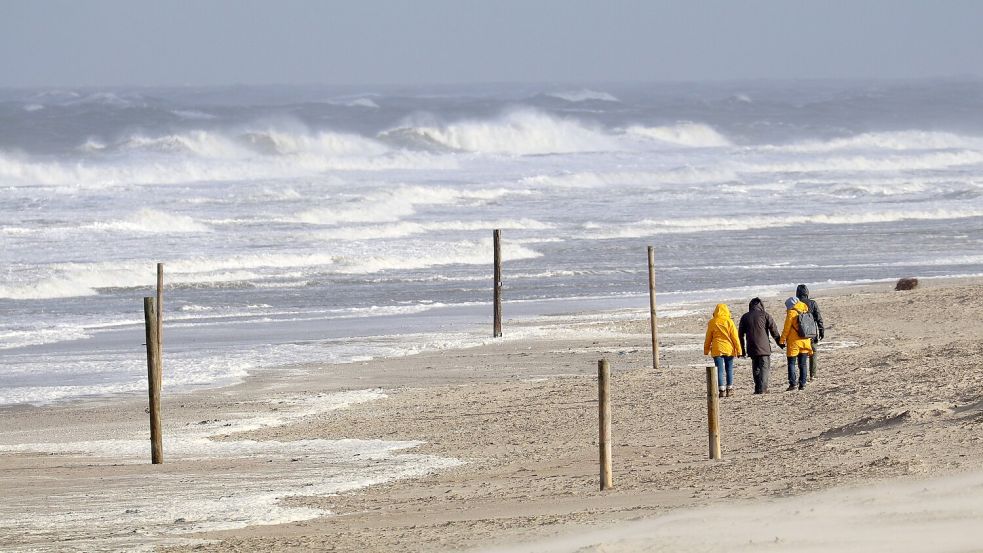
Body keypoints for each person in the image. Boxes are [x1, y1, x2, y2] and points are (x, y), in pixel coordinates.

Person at [738, 297, 783, 394]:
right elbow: (774, 331)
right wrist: (780, 343)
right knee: (764, 368)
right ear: (761, 305)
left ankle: (758, 388)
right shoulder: (765, 315)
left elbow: (740, 335)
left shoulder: (745, 317)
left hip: (751, 347)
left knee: (756, 368)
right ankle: (763, 389)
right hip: (764, 348)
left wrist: (742, 350)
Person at [704, 303, 743, 398]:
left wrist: (706, 349)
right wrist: (739, 350)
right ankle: (730, 389)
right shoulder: (729, 322)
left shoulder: (712, 322)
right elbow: (735, 337)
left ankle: (721, 390)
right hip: (729, 349)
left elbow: (708, 337)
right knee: (729, 369)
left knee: (719, 370)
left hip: (717, 349)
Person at [780, 296, 813, 391]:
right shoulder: (805, 309)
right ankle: (802, 384)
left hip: (794, 342)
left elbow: (786, 329)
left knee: (791, 363)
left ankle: (793, 384)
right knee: (803, 364)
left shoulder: (791, 313)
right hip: (805, 340)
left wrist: (782, 340)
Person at [796, 284, 825, 381]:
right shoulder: (813, 303)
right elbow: (819, 318)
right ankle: (813, 374)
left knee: (801, 355)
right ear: (807, 293)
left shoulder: (796, 304)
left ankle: (802, 377)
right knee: (813, 353)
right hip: (812, 332)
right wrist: (821, 330)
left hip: (799, 333)